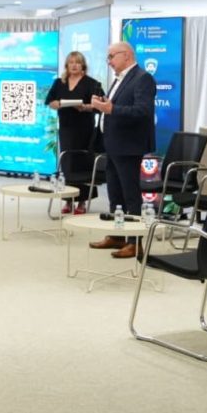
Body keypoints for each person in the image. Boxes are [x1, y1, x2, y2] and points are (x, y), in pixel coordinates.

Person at [89, 41, 157, 259]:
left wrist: (111, 108)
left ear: (126, 55)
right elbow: (117, 106)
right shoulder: (120, 78)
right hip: (113, 144)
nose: (108, 61)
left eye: (111, 57)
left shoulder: (143, 78)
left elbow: (143, 111)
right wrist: (104, 104)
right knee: (115, 194)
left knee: (130, 196)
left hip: (129, 146)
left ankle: (135, 242)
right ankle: (117, 235)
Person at [45, 51, 104, 214]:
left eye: (77, 62)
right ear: (66, 65)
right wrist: (56, 104)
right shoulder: (59, 82)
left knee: (81, 165)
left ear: (83, 65)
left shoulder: (91, 83)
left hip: (84, 130)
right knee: (67, 164)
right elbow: (49, 101)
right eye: (71, 62)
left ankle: (82, 202)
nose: (74, 65)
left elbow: (101, 105)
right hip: (66, 129)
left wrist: (85, 107)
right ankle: (68, 200)